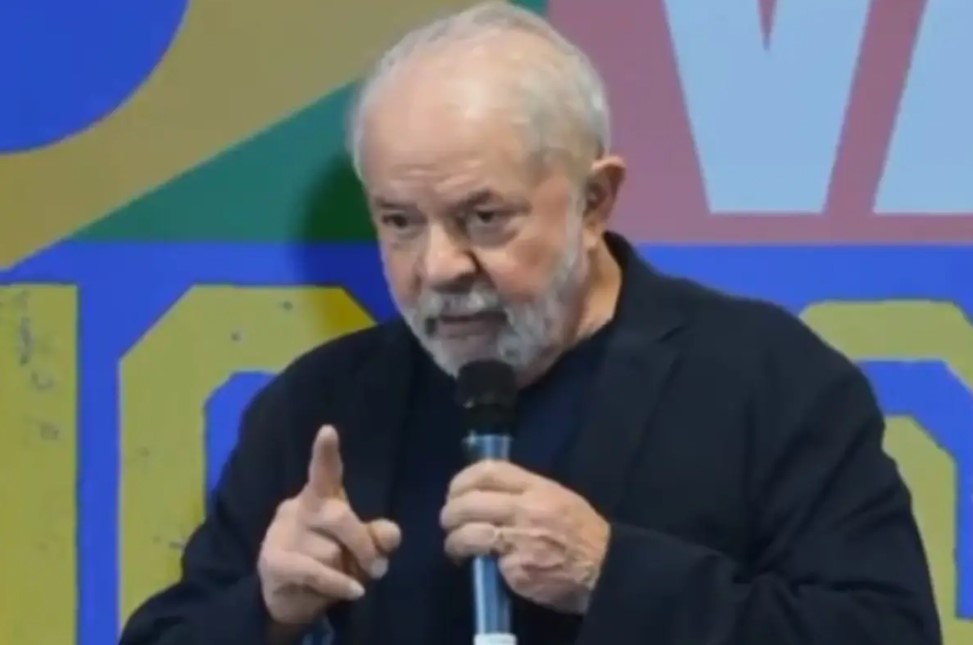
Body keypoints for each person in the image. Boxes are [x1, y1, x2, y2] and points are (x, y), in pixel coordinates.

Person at [118, 3, 942, 644]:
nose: (438, 265)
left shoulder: (769, 381)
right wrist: (268, 609)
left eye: (482, 217)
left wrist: (610, 574)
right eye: (399, 222)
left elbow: (885, 633)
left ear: (593, 200)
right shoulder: (322, 406)